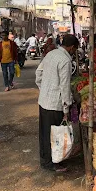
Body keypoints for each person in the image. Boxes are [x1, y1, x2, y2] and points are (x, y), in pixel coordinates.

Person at [35, 34, 79, 172]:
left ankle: (45, 159)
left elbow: (39, 73)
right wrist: (66, 108)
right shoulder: (65, 60)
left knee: (45, 133)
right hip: (55, 104)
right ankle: (52, 163)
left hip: (44, 100)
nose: (74, 52)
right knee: (55, 134)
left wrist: (44, 88)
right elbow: (65, 86)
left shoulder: (51, 54)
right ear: (72, 48)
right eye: (74, 49)